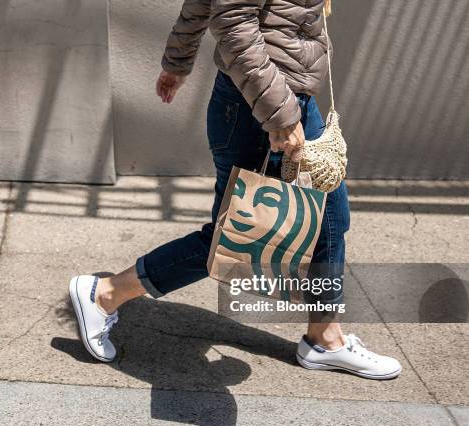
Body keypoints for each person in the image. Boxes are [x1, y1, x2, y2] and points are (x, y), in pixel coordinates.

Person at [69, 0, 402, 379]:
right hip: (260, 107)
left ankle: (325, 338)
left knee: (330, 220)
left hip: (281, 97)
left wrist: (178, 61)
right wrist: (281, 114)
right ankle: (105, 294)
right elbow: (233, 19)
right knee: (233, 236)